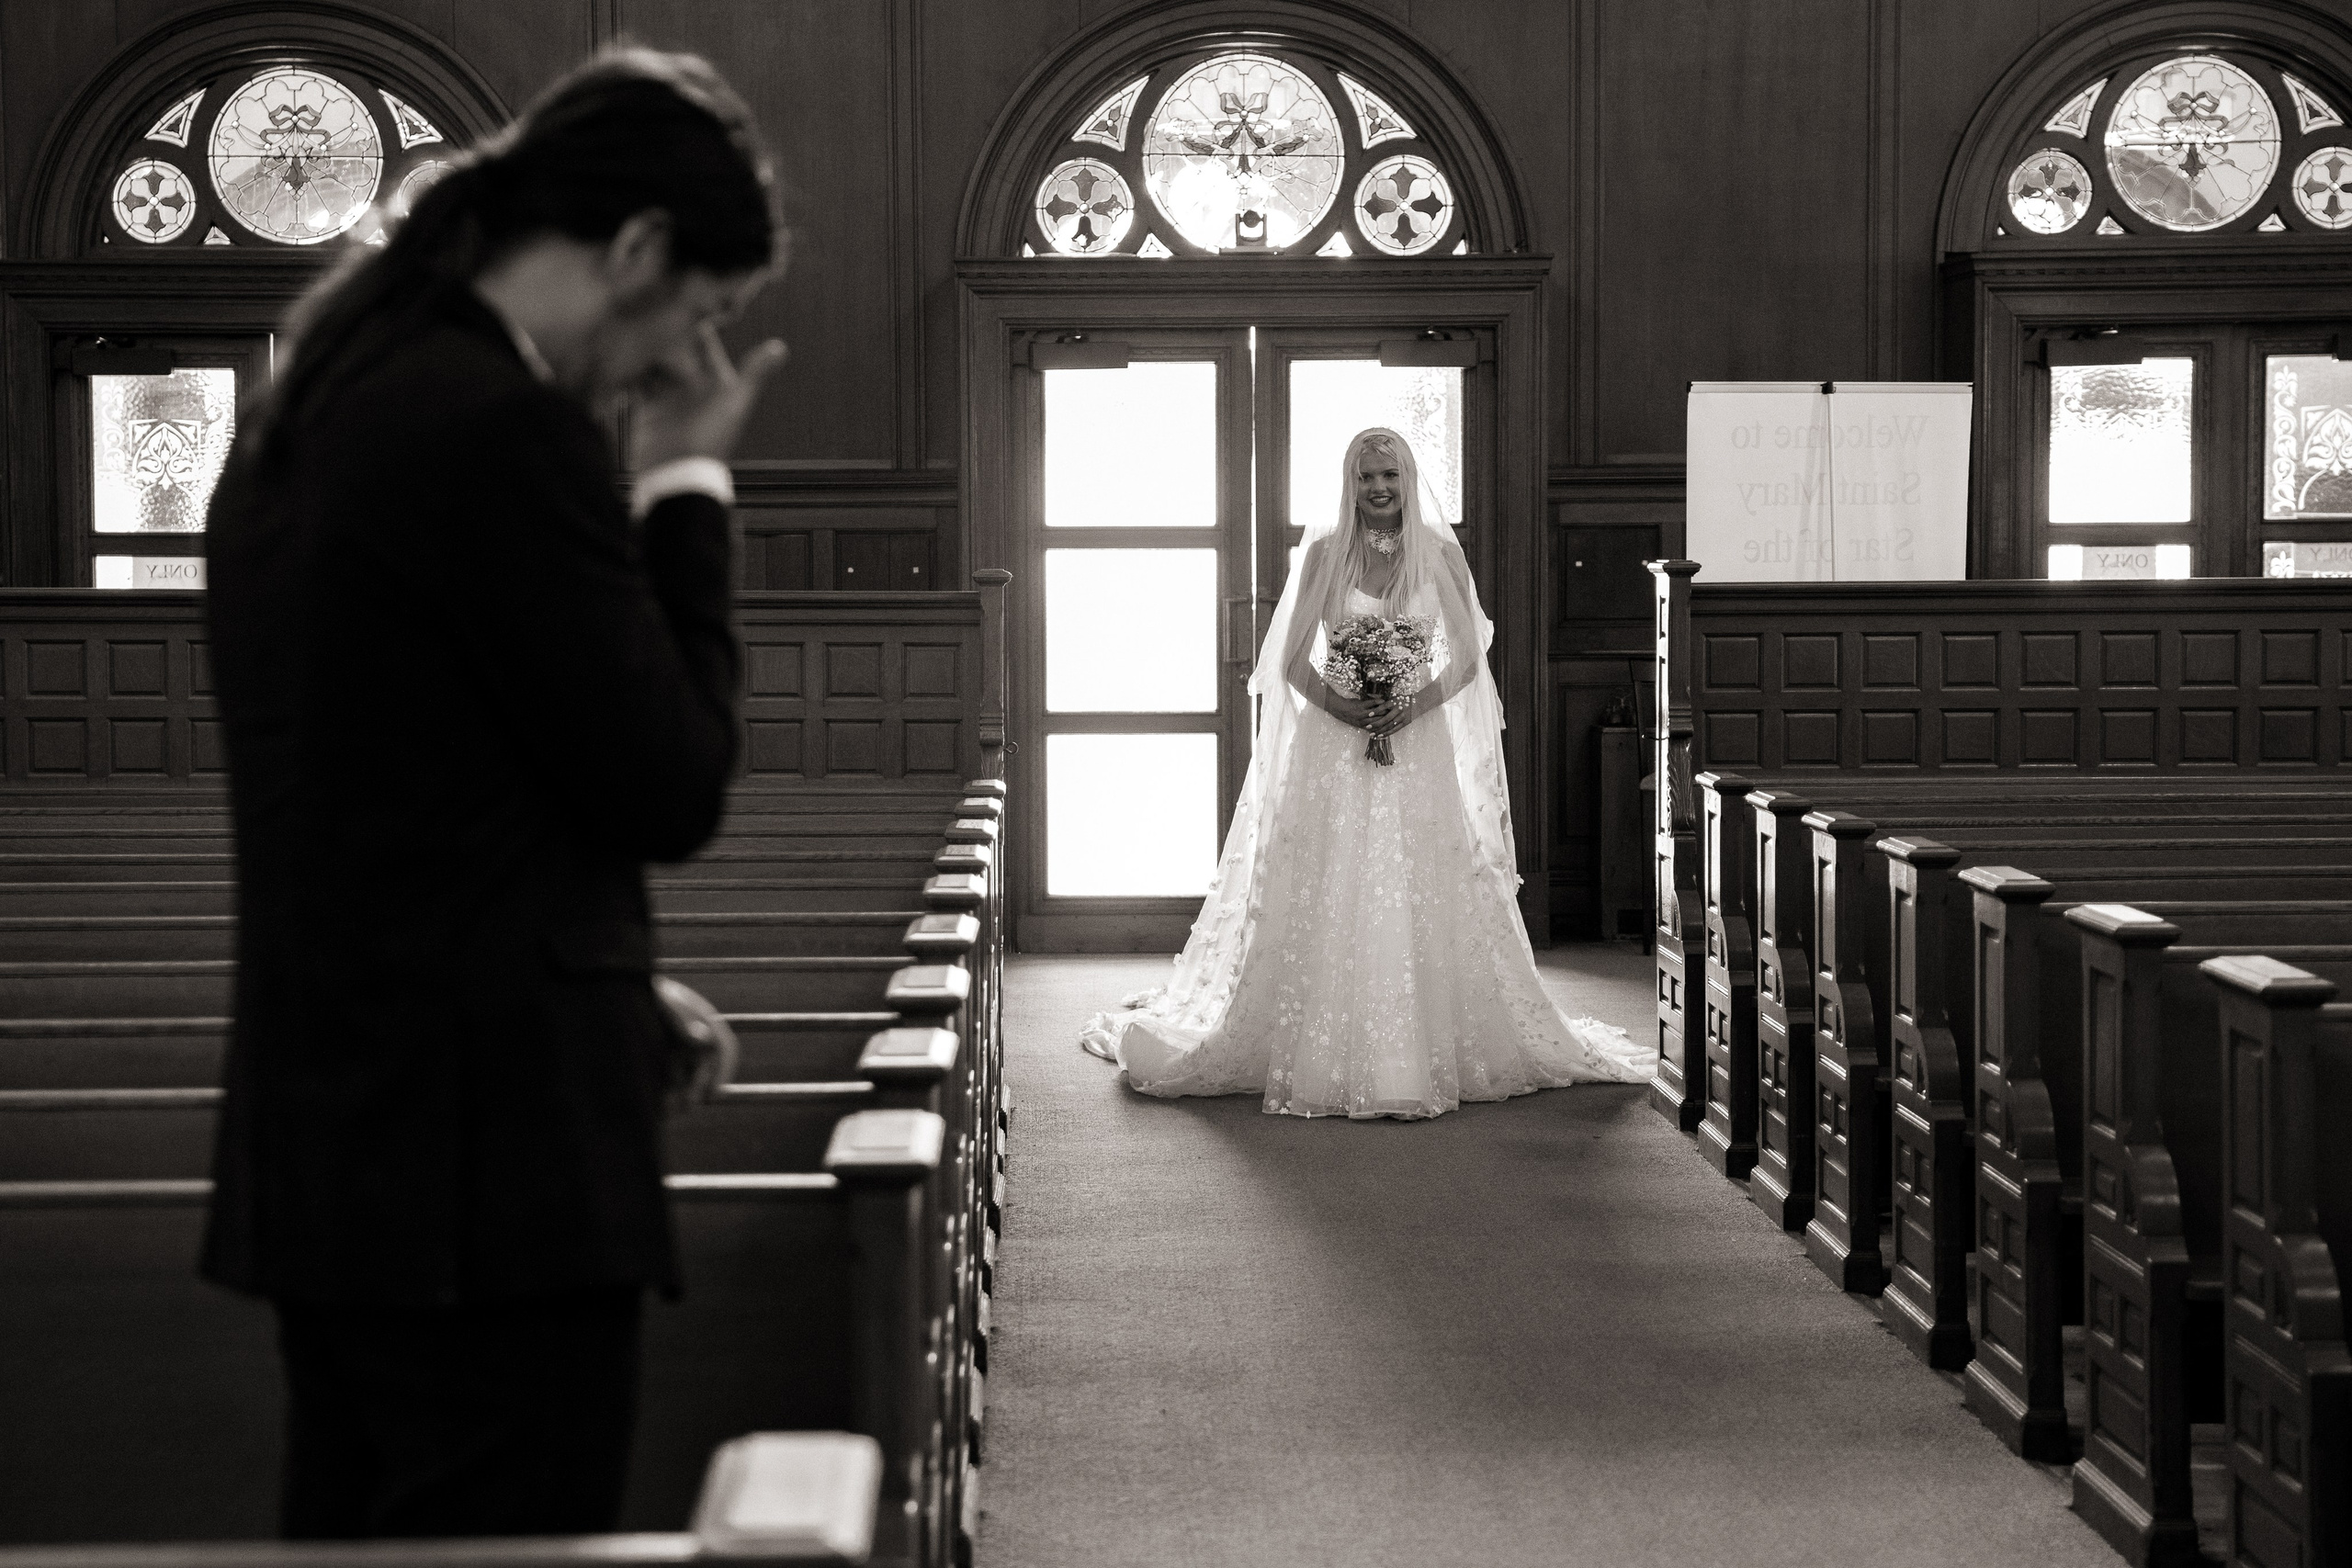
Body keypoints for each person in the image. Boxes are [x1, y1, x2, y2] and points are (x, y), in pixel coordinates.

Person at [199, 48, 786, 1539]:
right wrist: (684, 491)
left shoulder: (313, 409)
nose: (675, 369)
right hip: (489, 1180)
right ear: (639, 249)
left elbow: (387, 787)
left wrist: (587, 977)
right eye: (700, 317)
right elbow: (671, 782)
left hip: (342, 1141)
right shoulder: (499, 429)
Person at [1080, 427, 1650, 1119]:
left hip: (1419, 740)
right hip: (1333, 742)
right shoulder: (1322, 554)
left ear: (1408, 479)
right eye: (1366, 477)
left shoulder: (1439, 555)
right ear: (1350, 485)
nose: (1378, 488)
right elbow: (1285, 664)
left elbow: (1470, 658)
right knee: (1332, 876)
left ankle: (1415, 1045)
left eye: (1389, 475)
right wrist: (1345, 707)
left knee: (1417, 876)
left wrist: (1413, 704)